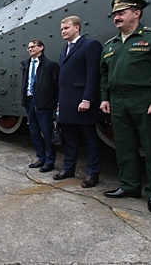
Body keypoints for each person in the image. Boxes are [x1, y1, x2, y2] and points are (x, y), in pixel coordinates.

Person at [100, 0, 151, 215]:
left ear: (137, 13)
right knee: (124, 145)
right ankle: (130, 186)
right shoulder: (110, 45)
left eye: (121, 13)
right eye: (114, 14)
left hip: (146, 99)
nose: (117, 18)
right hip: (118, 101)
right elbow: (104, 74)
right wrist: (105, 98)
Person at [54, 16, 102, 187]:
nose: (63, 31)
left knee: (90, 139)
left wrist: (87, 98)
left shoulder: (90, 45)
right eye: (62, 29)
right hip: (67, 102)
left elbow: (93, 74)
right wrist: (60, 102)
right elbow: (63, 79)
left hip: (82, 101)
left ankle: (92, 173)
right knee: (69, 138)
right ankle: (69, 168)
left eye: (66, 28)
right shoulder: (64, 50)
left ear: (77, 27)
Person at [21, 40, 59, 173]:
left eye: (32, 47)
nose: (30, 49)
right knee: (34, 132)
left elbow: (55, 86)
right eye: (28, 47)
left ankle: (50, 161)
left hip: (44, 103)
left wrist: (56, 103)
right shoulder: (26, 64)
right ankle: (41, 157)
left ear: (41, 47)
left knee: (47, 132)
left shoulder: (50, 65)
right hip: (30, 101)